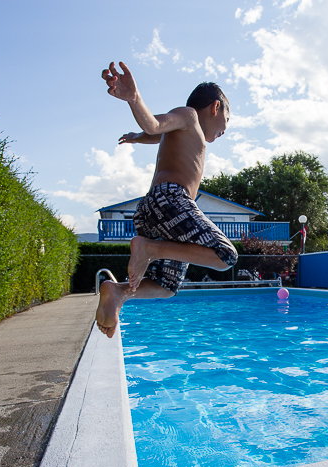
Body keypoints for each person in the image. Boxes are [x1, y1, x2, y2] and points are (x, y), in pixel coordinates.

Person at [94, 61, 238, 338]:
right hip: (170, 201)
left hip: (155, 211)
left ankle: (118, 292)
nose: (224, 131)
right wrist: (133, 100)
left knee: (167, 287)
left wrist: (139, 137)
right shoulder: (189, 116)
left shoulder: (186, 132)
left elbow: (156, 133)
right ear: (216, 107)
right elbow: (156, 123)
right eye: (226, 122)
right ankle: (150, 249)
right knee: (225, 255)